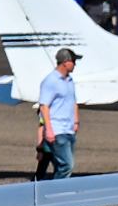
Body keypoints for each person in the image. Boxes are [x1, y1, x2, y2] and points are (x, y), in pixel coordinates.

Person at [35, 48, 83, 179]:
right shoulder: (50, 81)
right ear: (65, 62)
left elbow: (73, 101)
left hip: (69, 130)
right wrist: (49, 130)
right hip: (57, 130)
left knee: (60, 165)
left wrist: (76, 121)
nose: (75, 64)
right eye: (73, 61)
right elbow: (44, 106)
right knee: (67, 165)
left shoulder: (70, 81)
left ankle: (56, 189)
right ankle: (56, 189)